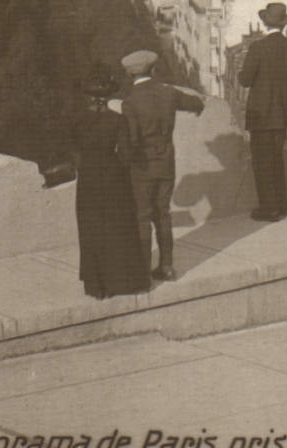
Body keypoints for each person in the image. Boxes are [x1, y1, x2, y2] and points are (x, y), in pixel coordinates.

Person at [120, 49, 205, 281]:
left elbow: (133, 141)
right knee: (163, 214)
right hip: (166, 162)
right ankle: (166, 266)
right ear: (153, 70)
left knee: (142, 216)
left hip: (142, 166)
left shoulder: (130, 102)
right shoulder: (168, 93)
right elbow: (197, 103)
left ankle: (142, 271)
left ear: (130, 76)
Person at [74, 70, 150, 298]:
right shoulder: (117, 120)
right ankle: (120, 282)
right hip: (113, 179)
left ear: (88, 97)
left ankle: (95, 285)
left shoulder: (78, 120)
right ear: (108, 98)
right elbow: (126, 156)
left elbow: (72, 152)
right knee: (117, 228)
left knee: (91, 228)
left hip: (88, 179)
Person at [238, 2, 287, 221]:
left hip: (262, 112)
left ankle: (269, 207)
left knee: (262, 161)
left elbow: (245, 79)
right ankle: (281, 203)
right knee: (277, 158)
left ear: (265, 22)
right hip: (283, 112)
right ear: (284, 24)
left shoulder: (258, 48)